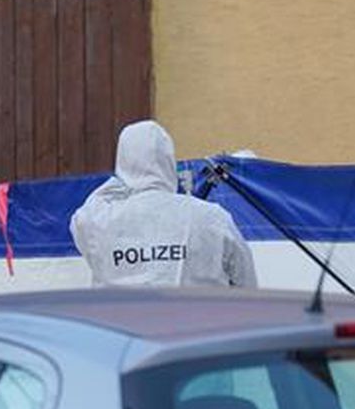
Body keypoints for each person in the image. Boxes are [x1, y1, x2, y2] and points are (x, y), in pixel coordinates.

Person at [69, 120, 257, 288]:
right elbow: (246, 284)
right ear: (169, 160)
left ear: (122, 160)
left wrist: (124, 180)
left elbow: (85, 214)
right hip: (201, 325)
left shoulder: (98, 219)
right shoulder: (212, 217)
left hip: (120, 326)